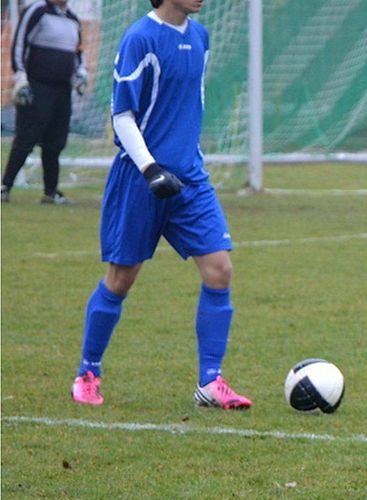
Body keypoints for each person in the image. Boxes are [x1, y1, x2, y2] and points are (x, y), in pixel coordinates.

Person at [71, 0, 252, 410]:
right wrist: (151, 168)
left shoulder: (201, 37)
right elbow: (122, 115)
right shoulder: (140, 39)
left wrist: (186, 157)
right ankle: (87, 373)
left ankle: (210, 381)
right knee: (120, 279)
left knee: (220, 269)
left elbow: (188, 108)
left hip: (190, 178)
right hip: (141, 179)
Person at [1, 0, 87, 205]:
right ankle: (5, 186)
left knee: (55, 142)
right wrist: (20, 77)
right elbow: (19, 44)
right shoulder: (37, 11)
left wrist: (81, 74)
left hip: (62, 90)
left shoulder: (73, 20)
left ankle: (50, 192)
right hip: (37, 86)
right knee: (27, 138)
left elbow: (78, 54)